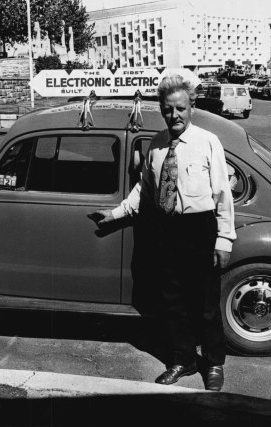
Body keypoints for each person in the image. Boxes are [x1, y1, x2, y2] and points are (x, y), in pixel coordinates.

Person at [93, 74, 236, 391]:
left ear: (191, 107)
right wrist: (114, 214)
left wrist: (224, 240)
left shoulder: (208, 142)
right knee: (173, 303)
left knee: (206, 305)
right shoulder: (156, 146)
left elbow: (223, 194)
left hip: (200, 229)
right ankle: (183, 360)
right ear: (161, 109)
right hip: (166, 231)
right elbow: (143, 191)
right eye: (168, 110)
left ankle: (213, 364)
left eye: (181, 109)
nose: (175, 116)